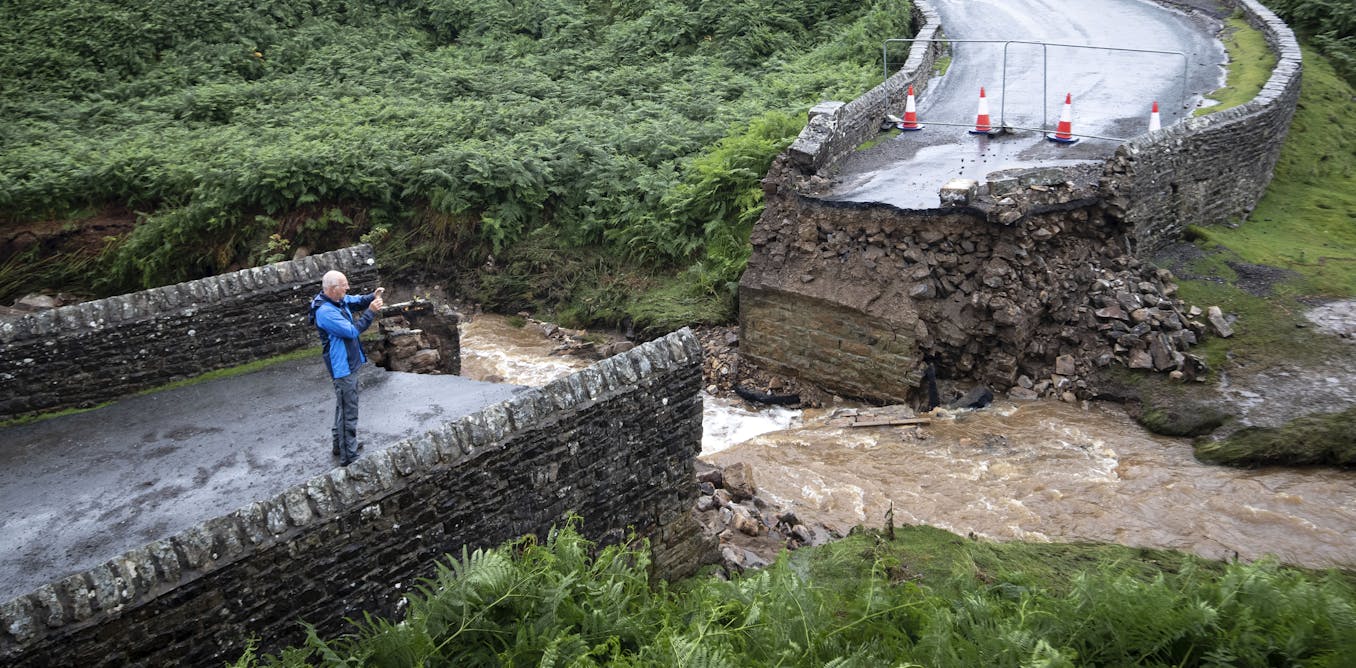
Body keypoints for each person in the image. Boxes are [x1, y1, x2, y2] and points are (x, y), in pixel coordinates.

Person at [308, 270, 384, 466]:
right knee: (349, 410)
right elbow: (351, 331)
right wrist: (371, 311)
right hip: (342, 367)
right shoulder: (325, 312)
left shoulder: (336, 300)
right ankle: (348, 456)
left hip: (347, 363)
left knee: (343, 406)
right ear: (333, 289)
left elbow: (354, 300)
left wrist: (371, 296)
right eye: (344, 285)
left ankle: (339, 446)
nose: (348, 288)